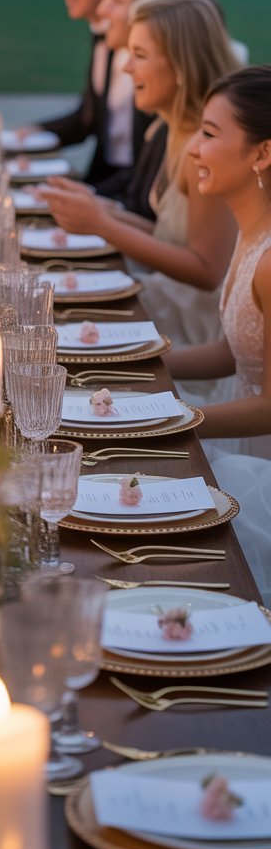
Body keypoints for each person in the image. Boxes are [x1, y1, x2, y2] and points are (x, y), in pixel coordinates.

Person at [41, 0, 238, 368]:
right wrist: (100, 208)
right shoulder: (170, 128)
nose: (127, 68)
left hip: (189, 329)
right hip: (163, 302)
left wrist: (101, 223)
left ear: (181, 65)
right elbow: (166, 235)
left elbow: (206, 269)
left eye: (140, 55)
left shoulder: (205, 147)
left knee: (45, 329)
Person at [166, 69, 271, 599]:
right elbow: (236, 352)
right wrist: (149, 364)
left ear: (262, 153)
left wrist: (175, 421)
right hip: (236, 436)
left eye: (209, 134)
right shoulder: (250, 231)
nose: (193, 151)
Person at [47, 0, 194, 222]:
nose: (103, 9)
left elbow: (202, 261)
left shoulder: (194, 138)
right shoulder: (163, 126)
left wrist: (99, 215)